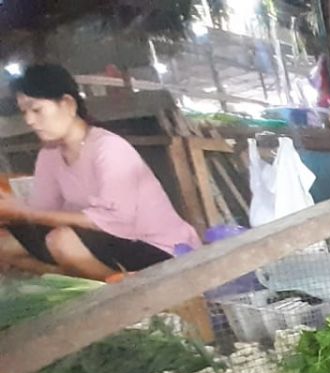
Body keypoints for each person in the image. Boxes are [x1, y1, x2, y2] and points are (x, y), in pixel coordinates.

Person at [0, 64, 199, 280]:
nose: (29, 120)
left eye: (36, 110)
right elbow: (43, 210)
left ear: (68, 104)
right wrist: (12, 212)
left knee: (62, 241)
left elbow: (116, 222)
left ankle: (126, 289)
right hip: (100, 241)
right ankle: (79, 277)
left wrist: (25, 213)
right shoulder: (50, 154)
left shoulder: (109, 148)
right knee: (4, 243)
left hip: (157, 246)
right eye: (24, 112)